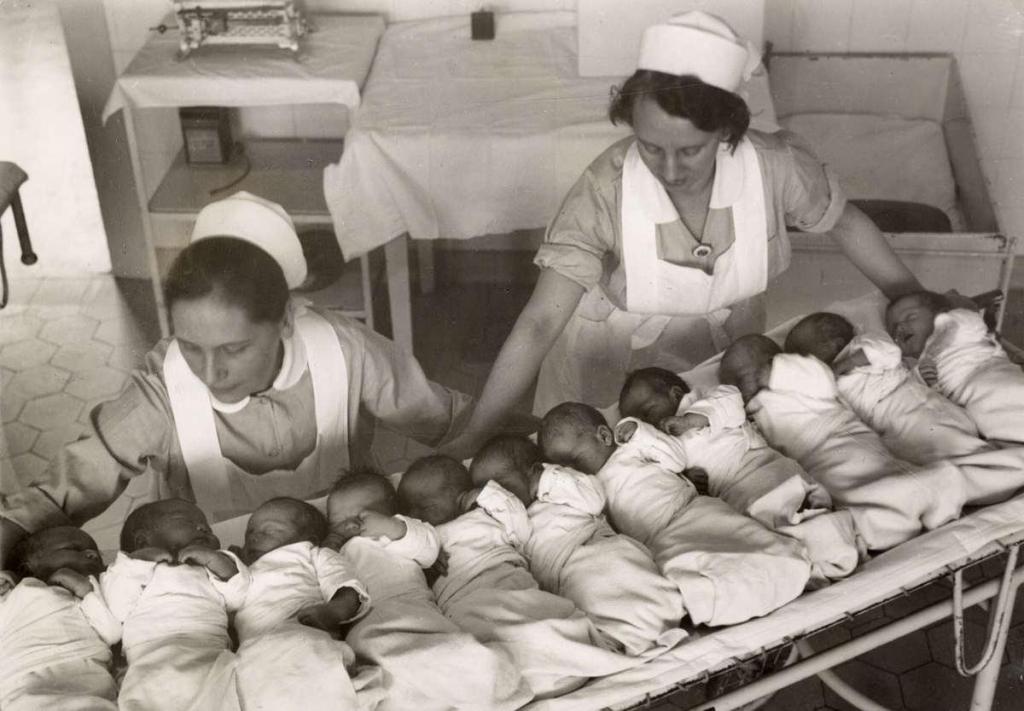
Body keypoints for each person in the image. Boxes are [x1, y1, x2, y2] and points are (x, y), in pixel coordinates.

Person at [443, 11, 923, 458]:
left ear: (727, 131)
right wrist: (477, 432)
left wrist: (919, 302)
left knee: (717, 456)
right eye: (650, 147)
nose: (669, 170)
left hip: (724, 351)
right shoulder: (603, 191)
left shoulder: (775, 169)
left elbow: (845, 223)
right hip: (607, 361)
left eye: (690, 151)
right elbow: (540, 323)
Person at [0, 190, 471, 568]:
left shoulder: (346, 351)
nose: (210, 373)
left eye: (234, 349)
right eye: (191, 345)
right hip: (211, 585)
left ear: (286, 319)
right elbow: (63, 488)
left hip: (346, 569)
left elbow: (451, 421)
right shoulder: (163, 390)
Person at [720, 336, 1024, 551]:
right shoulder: (747, 412)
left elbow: (822, 380)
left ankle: (940, 493)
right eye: (734, 380)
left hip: (841, 438)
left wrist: (779, 372)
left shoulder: (794, 378)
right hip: (813, 463)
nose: (743, 384)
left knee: (889, 475)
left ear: (776, 360)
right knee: (848, 494)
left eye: (747, 371)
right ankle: (886, 524)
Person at [538, 403, 811, 626]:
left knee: (739, 540)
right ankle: (727, 608)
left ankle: (776, 569)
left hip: (691, 510)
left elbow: (676, 457)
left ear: (604, 436)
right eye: (562, 467)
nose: (572, 470)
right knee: (687, 578)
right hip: (657, 540)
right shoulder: (587, 491)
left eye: (575, 459)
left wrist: (638, 432)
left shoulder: (630, 450)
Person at [397, 455, 637, 699]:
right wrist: (414, 544)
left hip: (506, 581)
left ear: (461, 496)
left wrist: (485, 495)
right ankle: (525, 674)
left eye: (425, 506)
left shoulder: (485, 514)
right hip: (464, 601)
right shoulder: (419, 541)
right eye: (408, 508)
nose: (415, 514)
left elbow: (520, 526)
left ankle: (561, 657)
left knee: (536, 612)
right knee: (476, 639)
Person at [325, 469, 532, 711]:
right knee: (387, 672)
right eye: (338, 522)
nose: (349, 525)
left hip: (415, 611)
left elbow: (429, 547)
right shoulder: (330, 555)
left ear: (393, 511)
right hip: (365, 623)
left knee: (454, 651)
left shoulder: (398, 533)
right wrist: (327, 547)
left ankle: (488, 691)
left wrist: (393, 528)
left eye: (362, 515)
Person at [469, 434, 685, 655]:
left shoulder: (556, 489)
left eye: (501, 484)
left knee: (625, 583)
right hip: (563, 577)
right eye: (483, 491)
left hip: (594, 550)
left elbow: (594, 497)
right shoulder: (505, 523)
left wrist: (546, 479)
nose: (493, 494)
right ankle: (613, 641)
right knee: (583, 609)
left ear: (534, 472)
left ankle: (649, 619)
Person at [233, 497, 382, 711]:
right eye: (249, 533)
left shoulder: (310, 554)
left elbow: (345, 583)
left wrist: (334, 610)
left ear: (307, 539)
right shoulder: (242, 570)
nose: (254, 537)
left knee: (313, 674)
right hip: (255, 649)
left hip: (301, 630)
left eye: (269, 531)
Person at [101, 498, 249, 711]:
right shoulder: (125, 570)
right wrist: (138, 562)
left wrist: (216, 561)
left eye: (206, 527)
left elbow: (238, 595)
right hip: (151, 658)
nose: (204, 528)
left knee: (226, 697)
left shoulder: (211, 564)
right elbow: (116, 607)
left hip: (210, 651)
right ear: (143, 541)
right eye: (188, 521)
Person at [785, 311, 986, 464]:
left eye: (804, 355)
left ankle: (977, 461)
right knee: (916, 453)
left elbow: (889, 352)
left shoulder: (863, 343)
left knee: (946, 435)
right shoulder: (825, 384)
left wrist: (844, 365)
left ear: (835, 344)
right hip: (887, 423)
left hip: (903, 396)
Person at [1, 526, 120, 711]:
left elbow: (112, 632)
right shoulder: (20, 593)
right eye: (73, 548)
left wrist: (88, 593)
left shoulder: (95, 596)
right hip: (25, 683)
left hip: (90, 685)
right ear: (28, 567)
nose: (92, 554)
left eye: (97, 553)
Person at [886, 292, 1024, 444]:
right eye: (893, 330)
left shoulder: (960, 327)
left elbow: (959, 320)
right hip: (974, 412)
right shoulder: (917, 370)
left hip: (990, 378)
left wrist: (933, 349)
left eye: (910, 317)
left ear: (940, 314)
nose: (900, 327)